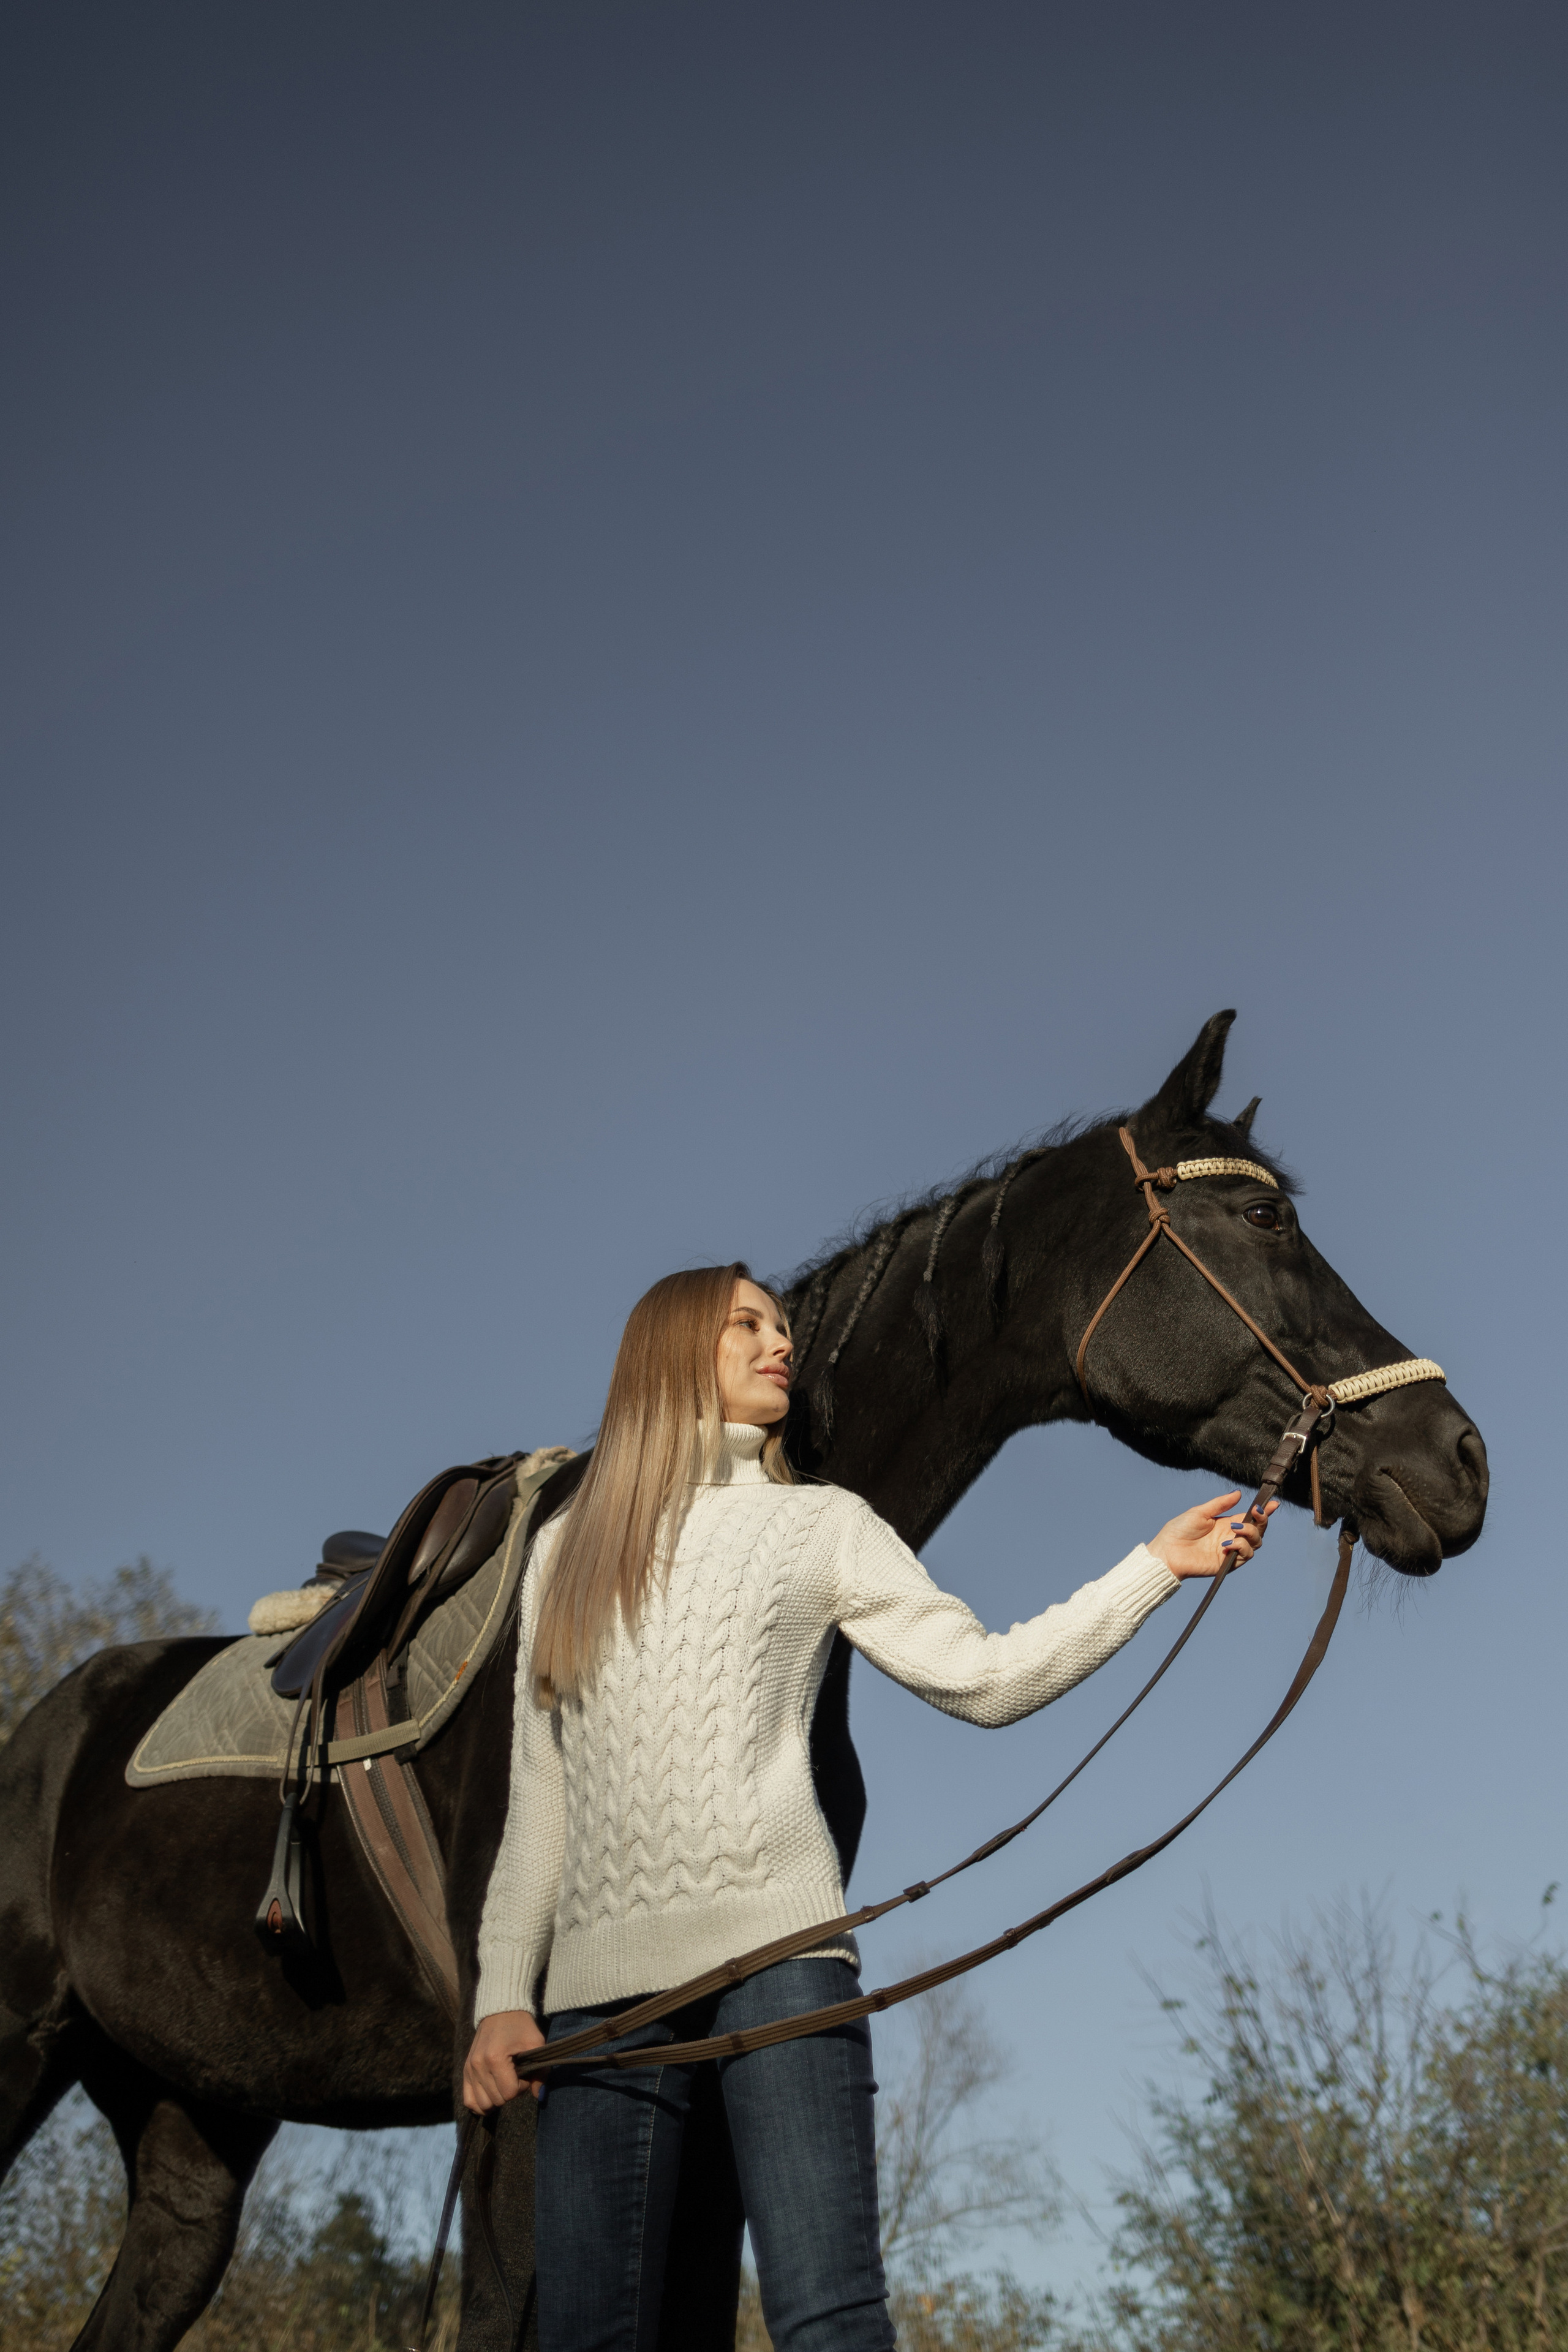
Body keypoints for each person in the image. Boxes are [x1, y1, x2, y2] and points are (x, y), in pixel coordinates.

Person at [463, 1262, 1274, 2351]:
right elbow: (541, 1798)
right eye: (745, 1324)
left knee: (830, 2317)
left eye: (783, 1326)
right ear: (668, 1352)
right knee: (581, 2335)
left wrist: (1152, 1568)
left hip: (783, 1970)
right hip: (600, 2011)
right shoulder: (566, 1551)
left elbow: (985, 1680)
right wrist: (503, 1994)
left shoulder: (824, 1526)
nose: (778, 1343)